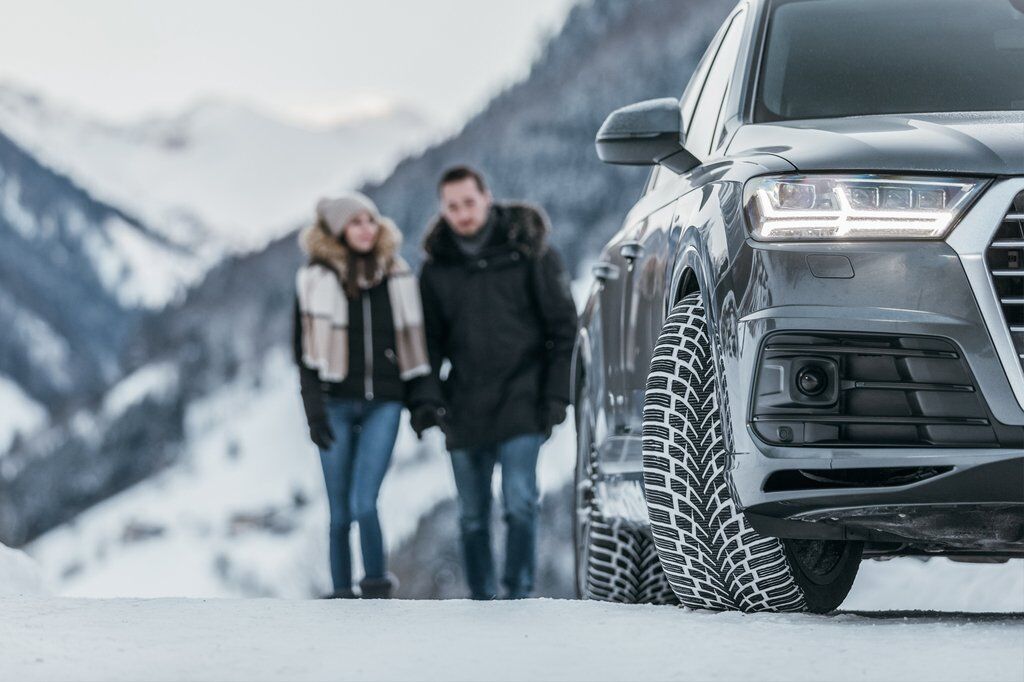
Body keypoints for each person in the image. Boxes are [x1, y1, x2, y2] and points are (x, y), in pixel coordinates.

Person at [411, 166, 578, 600]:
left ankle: (518, 592)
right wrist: (427, 400)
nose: (462, 213)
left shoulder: (530, 251)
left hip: (524, 397)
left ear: (487, 198)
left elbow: (563, 329)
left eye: (469, 202)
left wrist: (557, 396)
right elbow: (426, 343)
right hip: (464, 405)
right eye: (452, 206)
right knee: (471, 515)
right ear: (442, 210)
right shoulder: (435, 270)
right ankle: (483, 598)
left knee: (521, 502)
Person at [293, 191, 431, 599]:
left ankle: (375, 588)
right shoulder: (314, 281)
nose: (366, 229)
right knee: (338, 514)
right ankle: (339, 594)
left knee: (364, 503)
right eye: (355, 222)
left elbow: (417, 342)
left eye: (370, 220)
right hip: (333, 404)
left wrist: (422, 399)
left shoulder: (397, 276)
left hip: (383, 404)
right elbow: (301, 352)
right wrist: (313, 411)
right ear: (337, 231)